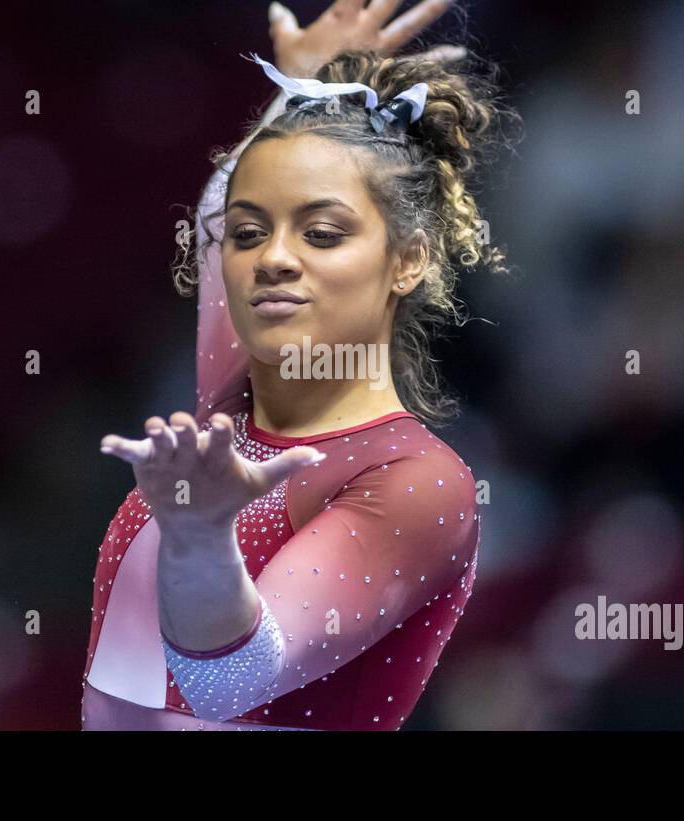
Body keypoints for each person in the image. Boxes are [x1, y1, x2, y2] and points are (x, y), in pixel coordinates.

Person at [81, 0, 518, 730]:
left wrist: (197, 537)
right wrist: (306, 93)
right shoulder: (231, 405)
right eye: (251, 234)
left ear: (407, 258)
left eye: (322, 232)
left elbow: (233, 680)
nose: (274, 258)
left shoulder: (416, 481)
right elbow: (225, 205)